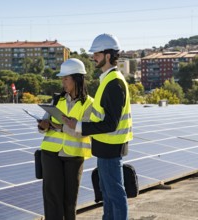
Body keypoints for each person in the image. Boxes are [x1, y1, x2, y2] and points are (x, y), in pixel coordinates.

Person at [63, 34, 133, 220]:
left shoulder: (114, 83)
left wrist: (78, 126)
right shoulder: (107, 80)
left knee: (115, 195)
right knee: (108, 195)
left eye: (97, 53)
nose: (93, 57)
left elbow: (111, 123)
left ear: (108, 55)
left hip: (111, 148)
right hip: (105, 147)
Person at [37, 58, 94, 220]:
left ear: (77, 79)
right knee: (52, 198)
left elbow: (84, 130)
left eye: (66, 78)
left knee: (70, 199)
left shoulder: (90, 104)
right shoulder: (57, 100)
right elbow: (45, 124)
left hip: (73, 156)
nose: (63, 82)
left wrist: (61, 128)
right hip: (50, 154)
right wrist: (43, 126)